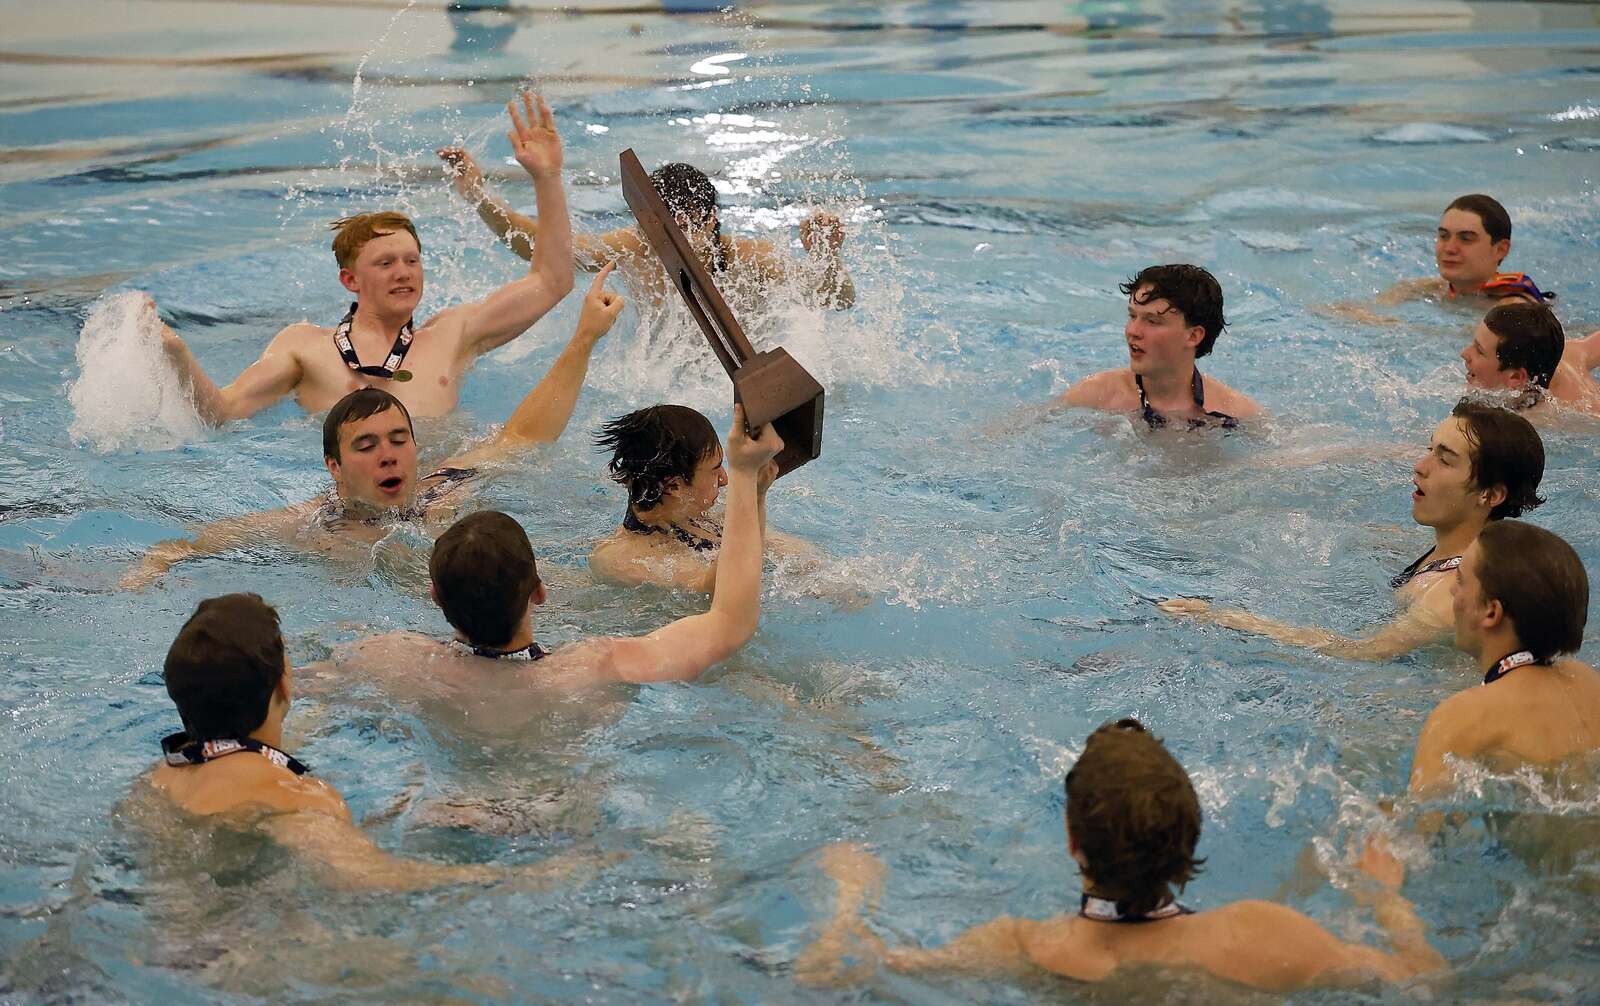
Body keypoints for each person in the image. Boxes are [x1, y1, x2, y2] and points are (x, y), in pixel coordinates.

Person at [796, 719, 1443, 992]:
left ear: (1072, 841)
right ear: (1191, 836)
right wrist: (1385, 898)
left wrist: (851, 894)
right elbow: (1425, 979)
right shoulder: (1262, 936)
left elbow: (836, 972)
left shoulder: (1026, 948)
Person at [120, 266, 625, 588]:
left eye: (399, 440)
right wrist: (149, 571)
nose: (388, 454)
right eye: (366, 445)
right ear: (334, 468)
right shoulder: (309, 525)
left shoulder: (442, 490)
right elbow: (182, 546)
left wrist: (583, 339)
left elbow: (523, 437)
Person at [329, 405, 780, 721]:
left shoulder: (393, 657)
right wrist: (747, 478)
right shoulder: (591, 667)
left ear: (435, 597)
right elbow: (730, 621)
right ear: (539, 592)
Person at [154, 93, 573, 421]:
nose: (403, 273)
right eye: (385, 263)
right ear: (350, 280)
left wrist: (547, 178)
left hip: (443, 488)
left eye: (412, 261)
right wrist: (176, 353)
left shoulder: (452, 336)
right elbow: (222, 412)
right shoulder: (306, 349)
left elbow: (553, 281)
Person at [140, 592, 587, 890]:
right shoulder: (298, 797)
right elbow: (368, 877)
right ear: (285, 687)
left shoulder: (160, 778)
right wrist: (517, 877)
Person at [1161, 400, 1545, 661]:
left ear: (1491, 495)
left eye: (1445, 460)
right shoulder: (1449, 553)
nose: (1420, 465)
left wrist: (1229, 619)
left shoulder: (1450, 594)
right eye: (1429, 449)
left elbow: (1363, 652)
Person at [437, 147, 854, 308]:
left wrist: (827, 256)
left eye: (685, 225)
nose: (669, 240)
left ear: (710, 220)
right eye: (659, 227)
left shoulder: (747, 259)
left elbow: (836, 299)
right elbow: (541, 250)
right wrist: (478, 195)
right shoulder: (637, 247)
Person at [1408, 520, 1598, 798]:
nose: (1451, 591)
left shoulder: (1461, 717)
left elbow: (1421, 820)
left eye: (1460, 581)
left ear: (1491, 612)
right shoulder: (1589, 683)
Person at [588, 403, 816, 593]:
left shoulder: (697, 515)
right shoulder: (624, 560)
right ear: (674, 486)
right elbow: (720, 591)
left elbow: (796, 555)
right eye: (716, 469)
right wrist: (755, 495)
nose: (725, 479)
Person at [1053, 265, 1261, 428]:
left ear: (1193, 336)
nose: (1133, 331)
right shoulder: (1094, 396)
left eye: (1152, 321)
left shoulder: (1236, 413)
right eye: (1132, 316)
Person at [1335, 195, 1554, 323]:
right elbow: (1363, 308)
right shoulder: (1428, 288)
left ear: (1500, 249)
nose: (1449, 248)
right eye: (1443, 236)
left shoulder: (1513, 310)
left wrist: (1390, 326)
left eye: (1466, 239)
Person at [1460, 301, 1600, 415]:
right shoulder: (1565, 354)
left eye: (1479, 351)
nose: (1464, 354)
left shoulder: (1557, 416)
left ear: (1515, 377)